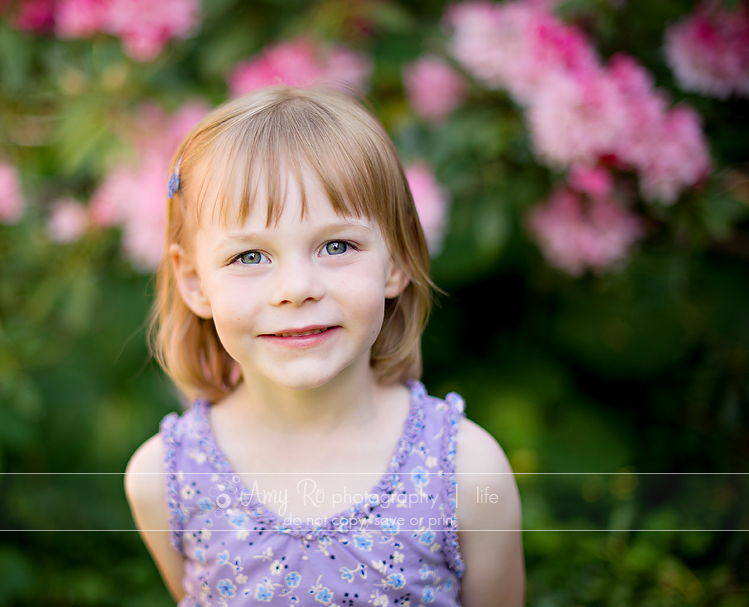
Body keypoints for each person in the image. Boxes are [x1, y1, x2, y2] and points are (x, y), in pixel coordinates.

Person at [125, 86, 524, 607]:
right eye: (249, 256)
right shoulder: (165, 480)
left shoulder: (467, 473)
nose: (296, 287)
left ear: (396, 261)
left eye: (337, 246)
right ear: (195, 282)